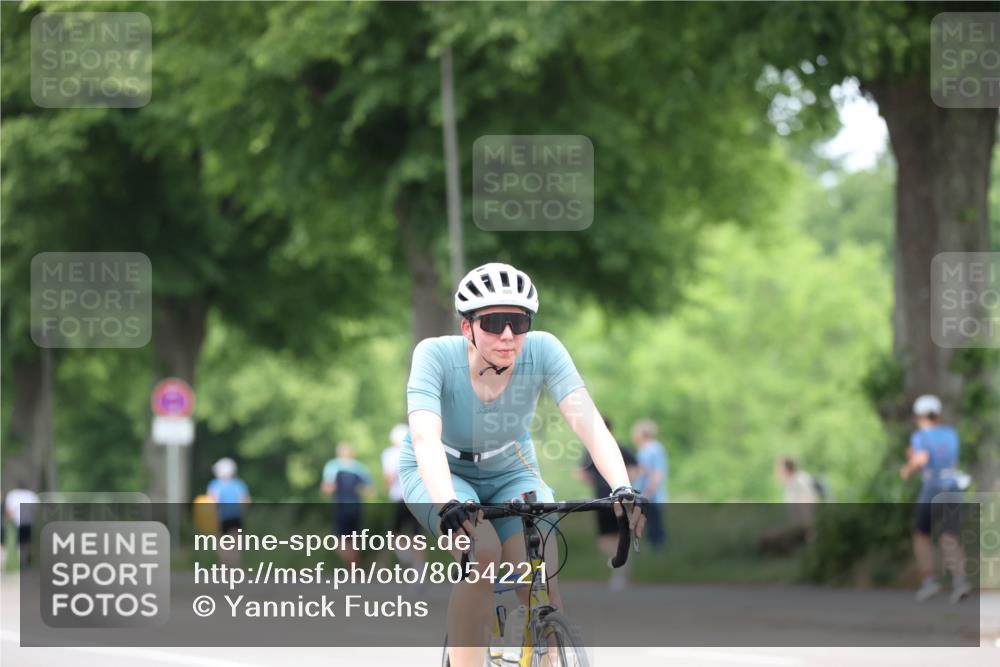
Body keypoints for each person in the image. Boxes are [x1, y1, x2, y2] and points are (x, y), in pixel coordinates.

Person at [400, 262, 647, 667]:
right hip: (441, 468)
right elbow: (425, 437)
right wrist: (448, 503)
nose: (507, 335)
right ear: (467, 327)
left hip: (511, 467)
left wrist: (622, 487)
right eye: (493, 322)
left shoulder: (543, 350)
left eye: (518, 323)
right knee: (482, 554)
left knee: (538, 574)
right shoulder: (435, 355)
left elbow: (590, 425)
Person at [900, 394, 971, 603]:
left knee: (921, 535)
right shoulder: (951, 433)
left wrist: (908, 466)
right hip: (954, 485)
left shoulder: (920, 436)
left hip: (932, 486)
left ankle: (929, 581)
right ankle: (960, 581)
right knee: (950, 536)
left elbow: (922, 458)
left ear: (920, 415)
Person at [575, 417, 639, 591]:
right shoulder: (620, 447)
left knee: (607, 537)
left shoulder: (593, 450)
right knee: (620, 534)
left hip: (603, 499)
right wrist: (626, 484)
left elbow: (580, 473)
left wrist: (597, 483)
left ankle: (619, 569)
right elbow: (635, 469)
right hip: (620, 497)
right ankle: (622, 567)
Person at [381, 424, 426, 569]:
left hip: (399, 497)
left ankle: (405, 555)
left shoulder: (389, 454)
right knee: (417, 535)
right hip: (417, 497)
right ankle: (419, 568)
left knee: (395, 533)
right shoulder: (416, 451)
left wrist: (385, 488)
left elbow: (389, 476)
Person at [322, 442, 372, 566]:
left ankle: (352, 564)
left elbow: (327, 488)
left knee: (344, 540)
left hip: (345, 506)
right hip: (351, 506)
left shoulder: (334, 466)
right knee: (350, 539)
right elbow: (369, 490)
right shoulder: (358, 468)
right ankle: (353, 565)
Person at [759, 456, 818, 555]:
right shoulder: (792, 483)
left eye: (778, 469)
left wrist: (810, 531)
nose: (777, 472)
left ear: (786, 469)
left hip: (803, 529)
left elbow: (806, 507)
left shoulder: (799, 482)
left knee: (766, 539)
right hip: (798, 526)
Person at [631, 419, 668, 549]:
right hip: (644, 494)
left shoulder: (654, 449)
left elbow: (657, 473)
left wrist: (648, 492)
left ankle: (659, 553)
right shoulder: (644, 449)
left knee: (655, 528)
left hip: (651, 496)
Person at [207, 458, 251, 566]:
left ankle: (226, 563)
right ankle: (233, 564)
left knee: (221, 541)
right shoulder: (238, 484)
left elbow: (212, 501)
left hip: (221, 517)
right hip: (234, 516)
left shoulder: (215, 484)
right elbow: (245, 500)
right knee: (235, 541)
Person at [4, 482, 40, 570]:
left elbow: (9, 511)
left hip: (18, 522)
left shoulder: (13, 495)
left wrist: (10, 520)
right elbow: (37, 509)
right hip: (29, 521)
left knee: (20, 542)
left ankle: (22, 561)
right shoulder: (31, 495)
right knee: (27, 542)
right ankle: (26, 561)